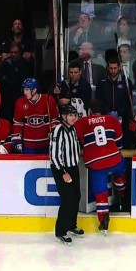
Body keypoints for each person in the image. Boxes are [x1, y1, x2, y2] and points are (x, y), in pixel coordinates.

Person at [75, 99, 126, 235]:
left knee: (100, 193)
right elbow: (120, 141)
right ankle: (121, 192)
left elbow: (79, 139)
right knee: (120, 170)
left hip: (96, 162)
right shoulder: (111, 119)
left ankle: (104, 221)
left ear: (89, 111)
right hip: (114, 157)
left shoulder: (82, 122)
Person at [49, 105, 83, 246]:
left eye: (75, 115)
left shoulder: (73, 129)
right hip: (61, 169)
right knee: (68, 199)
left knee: (76, 197)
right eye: (70, 115)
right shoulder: (58, 130)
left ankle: (71, 225)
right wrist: (63, 172)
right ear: (63, 116)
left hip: (73, 167)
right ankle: (61, 231)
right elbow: (54, 155)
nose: (73, 118)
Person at [12, 78, 59, 154]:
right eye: (24, 89)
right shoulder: (20, 102)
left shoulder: (48, 100)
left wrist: (55, 137)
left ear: (34, 90)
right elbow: (18, 124)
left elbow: (55, 121)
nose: (24, 92)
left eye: (27, 90)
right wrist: (17, 141)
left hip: (47, 145)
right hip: (28, 146)